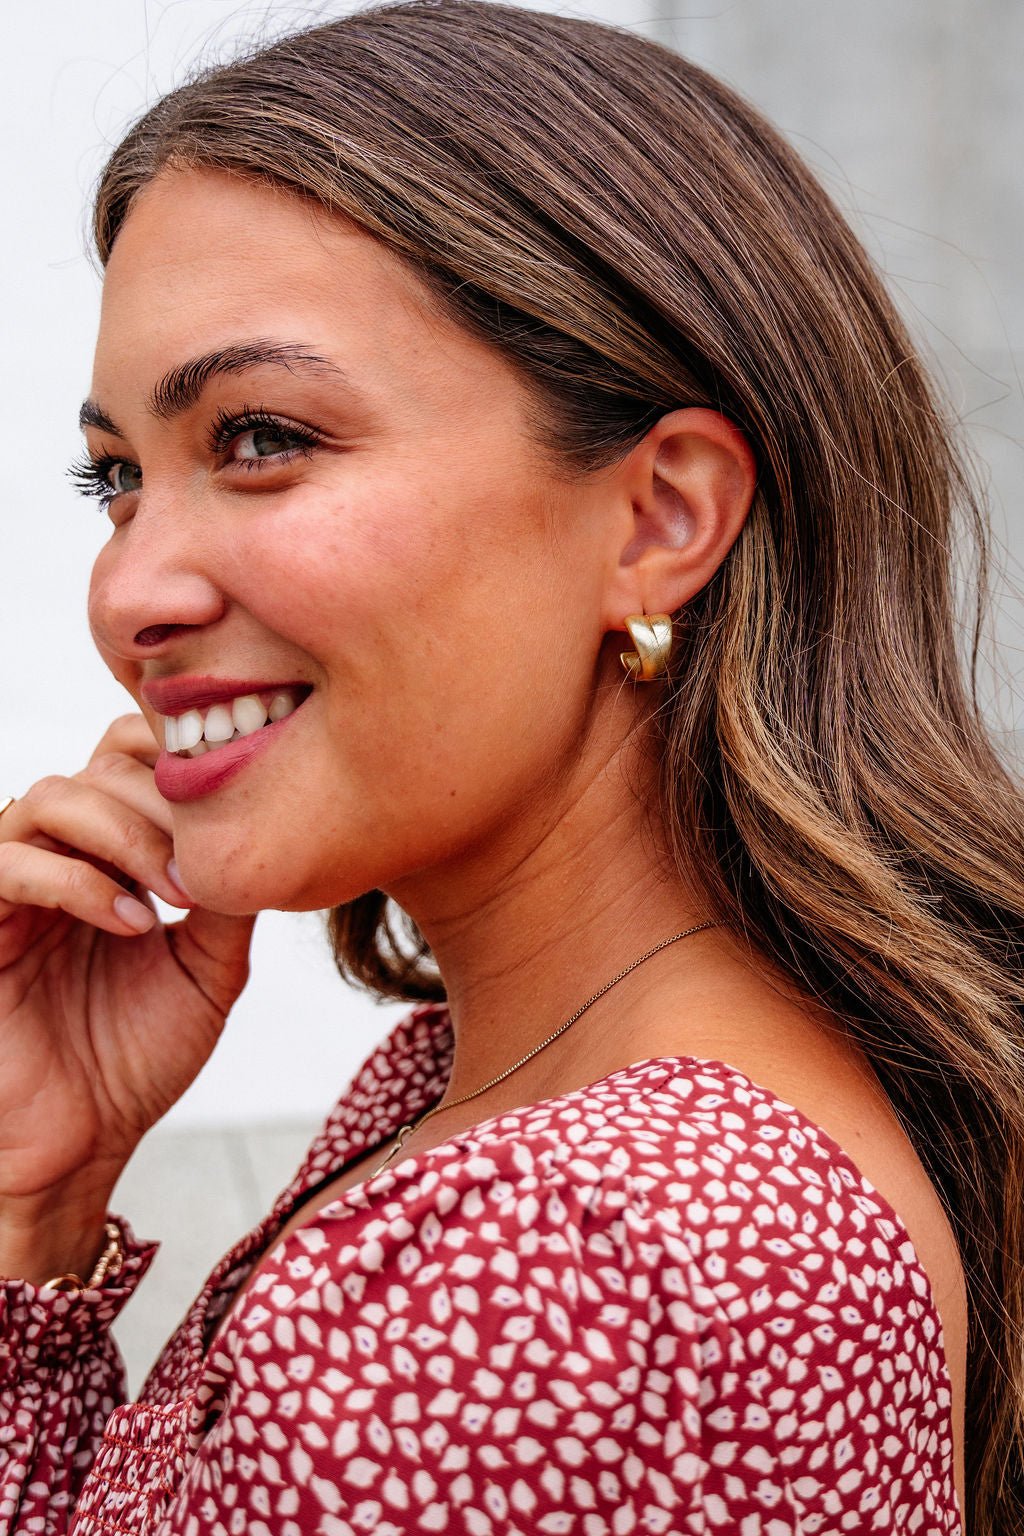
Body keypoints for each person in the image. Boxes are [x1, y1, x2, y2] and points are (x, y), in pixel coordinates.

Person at [0, 1, 1021, 1530]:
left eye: (263, 437)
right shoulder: (482, 1095)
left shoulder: (557, 1257)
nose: (132, 591)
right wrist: (39, 1194)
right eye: (119, 480)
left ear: (661, 517)